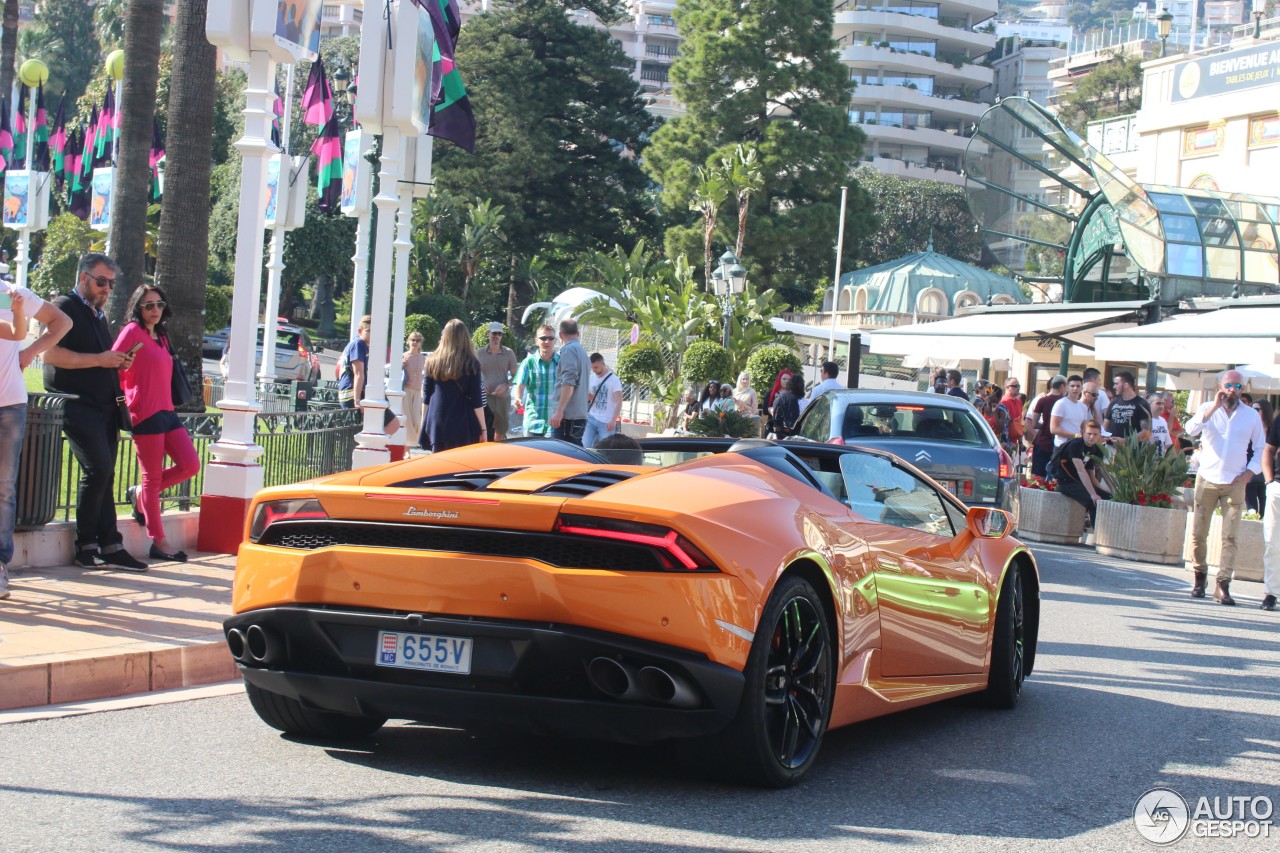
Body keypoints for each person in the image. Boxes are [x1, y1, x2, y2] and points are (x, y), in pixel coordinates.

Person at [43, 254, 148, 572]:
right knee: (98, 471)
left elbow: (99, 356)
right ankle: (86, 544)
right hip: (76, 403)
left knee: (105, 474)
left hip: (104, 405)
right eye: (101, 282)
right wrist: (100, 359)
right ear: (84, 277)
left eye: (111, 284)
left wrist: (117, 361)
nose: (106, 289)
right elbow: (50, 354)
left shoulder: (97, 315)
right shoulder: (64, 307)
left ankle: (109, 544)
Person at [111, 285, 200, 563]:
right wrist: (125, 382)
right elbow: (112, 364)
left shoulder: (161, 335)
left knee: (190, 465)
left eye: (159, 304)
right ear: (138, 307)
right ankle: (159, 542)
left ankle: (140, 495)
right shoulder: (131, 332)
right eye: (148, 305)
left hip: (167, 411)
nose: (155, 310)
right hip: (144, 413)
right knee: (151, 479)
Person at [0, 274, 70, 600]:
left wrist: (29, 353)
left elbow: (61, 322)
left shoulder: (11, 293)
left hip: (9, 405)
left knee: (3, 488)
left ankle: (0, 565)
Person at [1185, 369, 1267, 604]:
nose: (1233, 390)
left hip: (1235, 481)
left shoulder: (1250, 415)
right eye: (1229, 386)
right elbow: (1191, 430)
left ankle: (1223, 584)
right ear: (1221, 386)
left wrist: (1249, 474)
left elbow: (1260, 447)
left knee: (1231, 536)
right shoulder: (1206, 409)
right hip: (1207, 479)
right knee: (1199, 533)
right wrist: (1213, 408)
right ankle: (1200, 578)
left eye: (1238, 387)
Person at [420, 319, 488, 453]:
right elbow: (476, 400)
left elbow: (426, 397)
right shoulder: (471, 363)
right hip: (461, 421)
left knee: (438, 466)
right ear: (465, 338)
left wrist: (424, 422)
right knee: (461, 467)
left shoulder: (431, 361)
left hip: (436, 419)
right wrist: (483, 429)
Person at [1050, 420, 1111, 526]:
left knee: (1108, 498)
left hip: (1080, 483)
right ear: (1082, 433)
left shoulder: (1096, 449)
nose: (1092, 437)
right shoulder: (1075, 445)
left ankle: (1106, 530)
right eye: (1089, 434)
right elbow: (1081, 470)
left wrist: (1111, 491)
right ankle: (1098, 533)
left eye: (1095, 434)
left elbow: (1093, 475)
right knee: (1093, 502)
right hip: (1066, 482)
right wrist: (1093, 494)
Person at [513, 325, 559, 437]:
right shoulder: (528, 362)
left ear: (555, 341)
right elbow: (519, 386)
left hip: (554, 423)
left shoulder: (562, 363)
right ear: (536, 340)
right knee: (531, 455)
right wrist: (518, 399)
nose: (547, 341)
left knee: (552, 455)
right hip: (532, 422)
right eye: (543, 338)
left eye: (550, 338)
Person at [549, 318, 589, 445]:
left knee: (561, 457)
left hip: (568, 417)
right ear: (578, 333)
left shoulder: (568, 350)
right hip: (578, 415)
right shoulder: (582, 351)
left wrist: (559, 410)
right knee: (576, 455)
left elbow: (568, 383)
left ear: (560, 335)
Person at [477, 322, 517, 441]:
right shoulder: (479, 353)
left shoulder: (509, 353)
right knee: (484, 431)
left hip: (502, 398)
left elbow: (517, 375)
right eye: (494, 333)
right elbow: (474, 374)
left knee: (500, 432)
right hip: (485, 398)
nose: (496, 336)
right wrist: (481, 385)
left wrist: (507, 385)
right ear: (488, 334)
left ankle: (498, 456)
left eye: (499, 333)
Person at [1025, 375, 1066, 478]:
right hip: (1060, 443)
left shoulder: (1042, 400)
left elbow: (1034, 423)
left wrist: (1045, 424)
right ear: (1062, 386)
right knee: (1056, 478)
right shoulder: (1065, 402)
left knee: (1039, 477)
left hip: (1043, 441)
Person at [1260, 405, 1280, 611]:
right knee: (1272, 543)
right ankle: (1271, 593)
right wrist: (1269, 482)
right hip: (1277, 488)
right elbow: (1269, 449)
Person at [583, 352, 623, 449]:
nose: (594, 370)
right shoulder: (591, 378)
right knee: (585, 446)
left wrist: (613, 420)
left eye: (596, 367)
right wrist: (588, 398)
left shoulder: (614, 380)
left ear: (603, 363)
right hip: (591, 417)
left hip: (607, 421)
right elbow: (587, 397)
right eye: (592, 368)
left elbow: (619, 402)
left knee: (605, 449)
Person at [1104, 370, 1150, 441]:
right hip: (1111, 447)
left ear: (1126, 385)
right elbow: (1105, 426)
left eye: (1116, 384)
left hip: (1130, 450)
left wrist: (1125, 441)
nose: (1114, 387)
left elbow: (1147, 432)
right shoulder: (1113, 402)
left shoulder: (1142, 404)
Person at [337, 316, 370, 408]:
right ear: (360, 331)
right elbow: (358, 374)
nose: (372, 334)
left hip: (355, 393)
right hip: (350, 393)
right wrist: (357, 401)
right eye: (368, 331)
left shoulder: (362, 345)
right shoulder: (358, 344)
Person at [1049, 375, 1088, 447]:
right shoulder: (1060, 403)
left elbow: (1084, 428)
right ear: (1067, 387)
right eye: (1072, 386)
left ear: (1082, 388)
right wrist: (1074, 435)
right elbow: (1053, 429)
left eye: (1078, 386)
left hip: (1077, 445)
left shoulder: (1083, 407)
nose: (1075, 388)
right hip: (1061, 445)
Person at [401, 332, 425, 448]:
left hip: (417, 391)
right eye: (413, 340)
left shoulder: (423, 358)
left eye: (417, 340)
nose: (415, 342)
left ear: (420, 343)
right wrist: (401, 364)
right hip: (406, 390)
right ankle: (406, 449)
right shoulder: (404, 356)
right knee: (407, 420)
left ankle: (409, 445)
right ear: (408, 342)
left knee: (417, 421)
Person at [769, 373, 805, 438]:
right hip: (798, 437)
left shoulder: (779, 397)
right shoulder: (805, 402)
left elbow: (775, 416)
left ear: (790, 385)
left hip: (779, 435)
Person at [1000, 377, 1024, 463]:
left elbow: (1019, 422)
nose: (1017, 388)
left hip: (1015, 440)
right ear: (1007, 387)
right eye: (1014, 386)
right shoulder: (1004, 402)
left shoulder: (1019, 402)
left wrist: (1020, 441)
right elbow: (1004, 425)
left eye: (1018, 386)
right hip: (1006, 441)